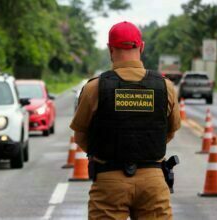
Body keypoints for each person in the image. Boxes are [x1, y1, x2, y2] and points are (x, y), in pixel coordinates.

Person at [70, 21, 181, 220]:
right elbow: (170, 131)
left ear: (110, 49)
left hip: (108, 181)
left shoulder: (94, 88)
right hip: (153, 182)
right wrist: (143, 147)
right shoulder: (166, 87)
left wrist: (107, 149)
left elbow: (80, 136)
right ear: (142, 47)